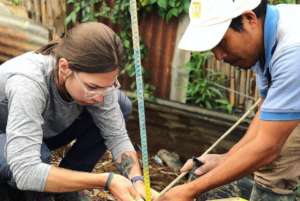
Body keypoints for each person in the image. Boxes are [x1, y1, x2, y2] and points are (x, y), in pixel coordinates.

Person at [156, 0, 300, 201]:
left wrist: (190, 190)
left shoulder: (293, 51)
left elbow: (268, 147)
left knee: (275, 167)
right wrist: (225, 160)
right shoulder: (267, 38)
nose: (219, 56)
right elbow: (265, 113)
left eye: (221, 43)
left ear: (249, 19)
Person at [0, 22, 157, 201]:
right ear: (64, 68)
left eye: (108, 86)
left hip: (38, 132)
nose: (100, 98)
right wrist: (106, 181)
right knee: (37, 158)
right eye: (93, 87)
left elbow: (117, 136)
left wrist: (137, 182)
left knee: (121, 105)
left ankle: (64, 188)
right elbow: (25, 170)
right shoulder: (29, 83)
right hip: (6, 138)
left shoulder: (97, 81)